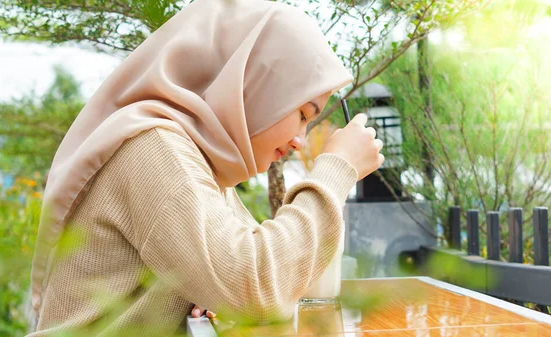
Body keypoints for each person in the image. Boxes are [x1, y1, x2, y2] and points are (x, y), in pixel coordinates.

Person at [26, 0, 384, 336]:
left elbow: (263, 276)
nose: (299, 140)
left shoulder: (200, 164)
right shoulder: (154, 150)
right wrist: (338, 169)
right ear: (256, 85)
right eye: (302, 113)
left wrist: (206, 289)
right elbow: (256, 285)